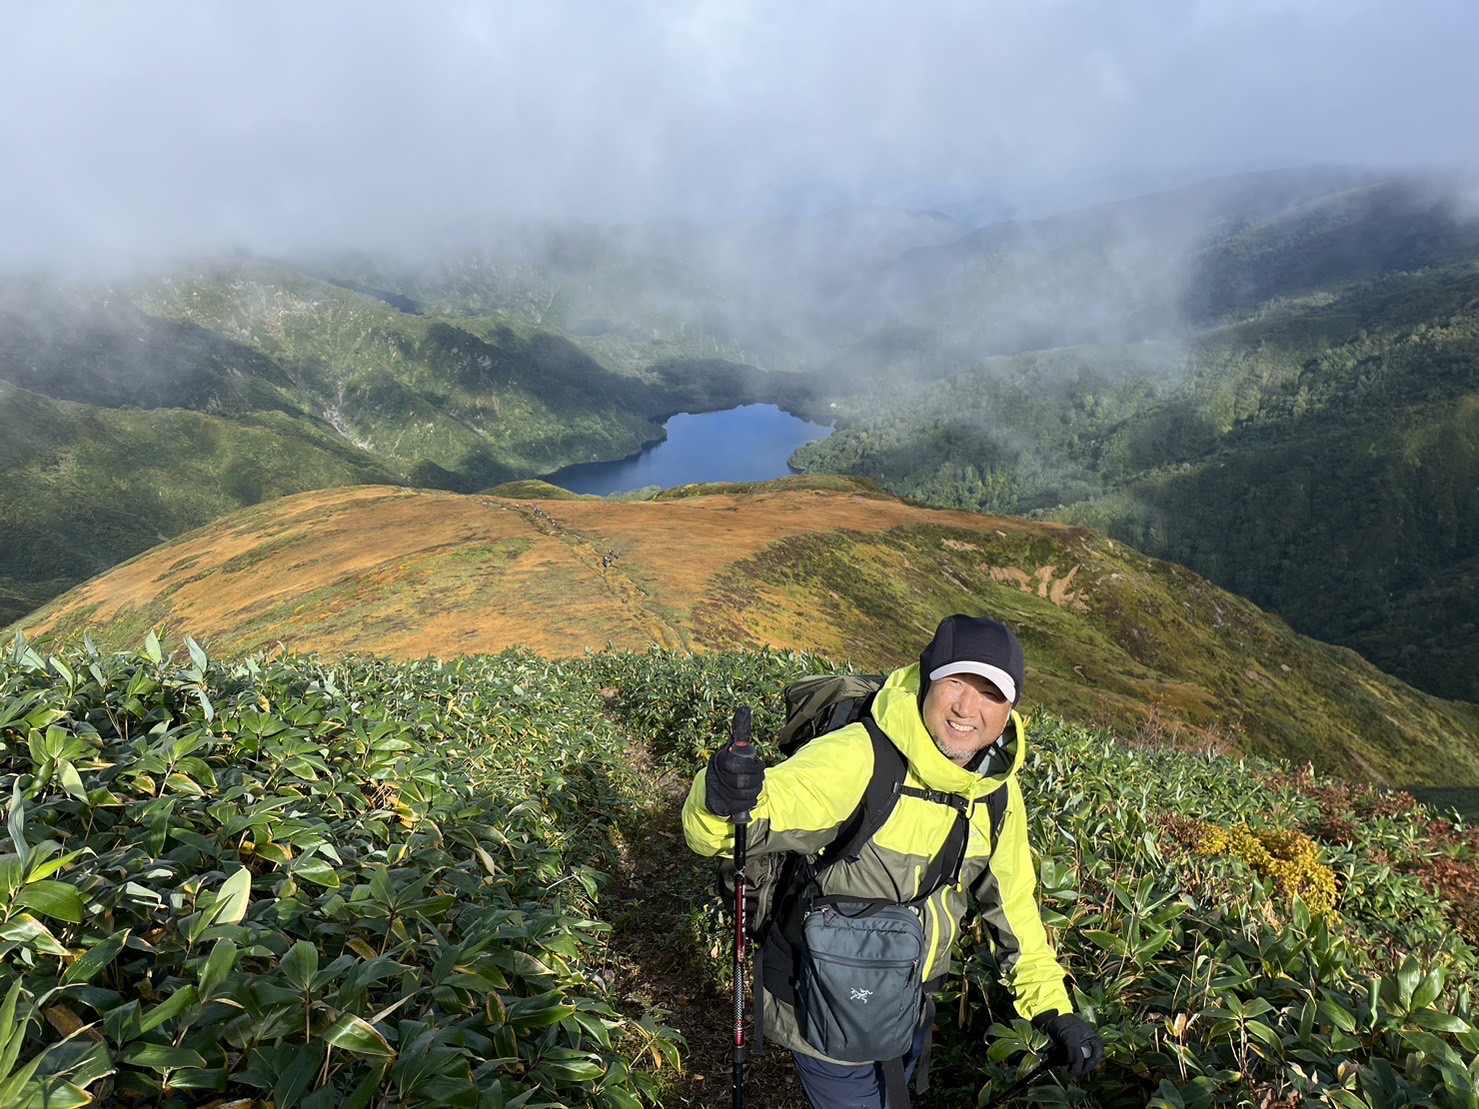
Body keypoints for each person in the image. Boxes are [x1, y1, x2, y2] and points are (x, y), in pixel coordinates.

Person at [682, 613, 1104, 1108]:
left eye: (991, 694)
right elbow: (736, 825)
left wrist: (1054, 1010)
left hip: (908, 1003)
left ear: (1010, 710)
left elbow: (1014, 911)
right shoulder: (861, 756)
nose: (967, 708)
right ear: (927, 679)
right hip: (822, 998)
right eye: (956, 682)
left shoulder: (996, 794)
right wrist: (720, 796)